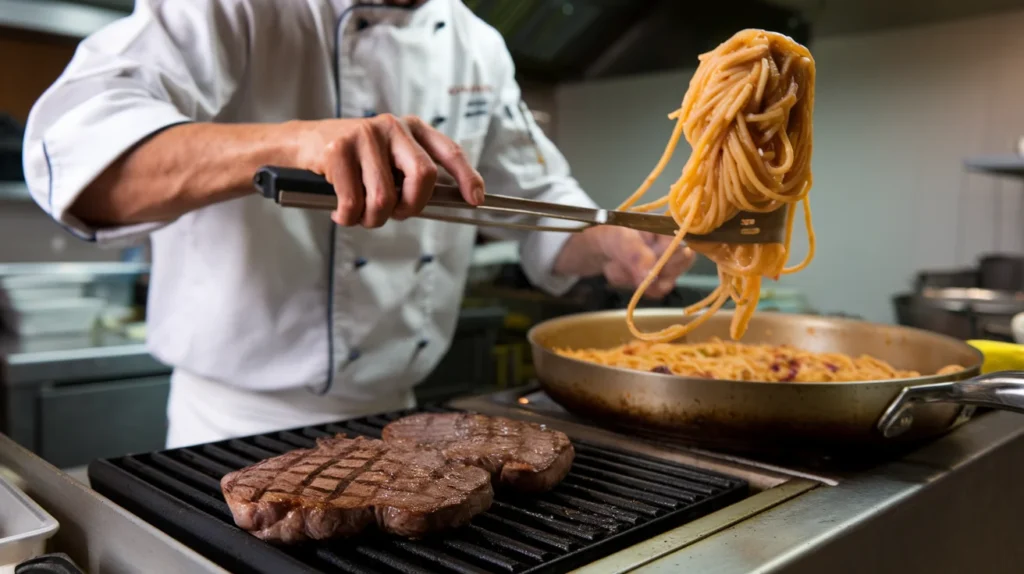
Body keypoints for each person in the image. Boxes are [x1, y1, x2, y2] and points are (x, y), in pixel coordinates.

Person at [23, 0, 696, 448]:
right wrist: (289, 144)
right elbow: (74, 155)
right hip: (228, 426)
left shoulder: (475, 43)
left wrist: (614, 242)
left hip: (401, 416)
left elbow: (540, 207)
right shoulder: (230, 9)